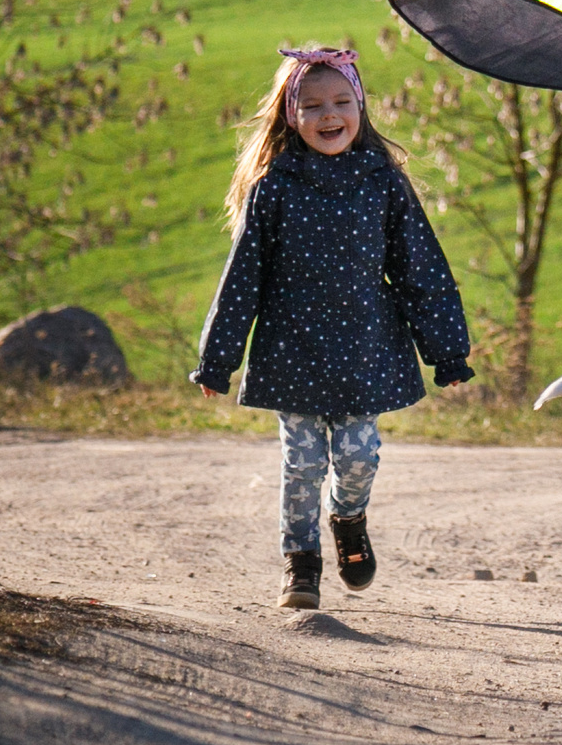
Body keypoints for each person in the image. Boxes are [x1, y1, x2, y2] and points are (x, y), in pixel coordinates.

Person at [192, 46, 475, 610]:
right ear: (291, 115)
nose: (330, 115)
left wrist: (446, 350)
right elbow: (242, 277)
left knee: (358, 457)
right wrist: (218, 359)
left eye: (342, 101)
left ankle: (348, 520)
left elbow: (420, 266)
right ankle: (301, 563)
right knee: (302, 464)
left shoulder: (383, 182)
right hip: (291, 349)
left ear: (361, 108)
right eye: (314, 104)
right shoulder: (274, 187)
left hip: (364, 350)